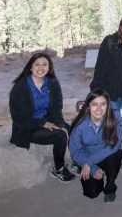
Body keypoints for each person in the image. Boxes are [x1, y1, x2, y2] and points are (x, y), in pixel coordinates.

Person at [9, 52, 75, 182]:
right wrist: (44, 123)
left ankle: (78, 161)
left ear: (49, 67)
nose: (41, 68)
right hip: (27, 127)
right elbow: (19, 117)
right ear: (30, 67)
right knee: (60, 136)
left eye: (45, 64)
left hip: (47, 121)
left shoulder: (52, 84)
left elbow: (57, 109)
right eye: (37, 64)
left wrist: (60, 125)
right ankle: (59, 169)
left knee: (72, 130)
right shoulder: (21, 87)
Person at [68, 89, 122, 203]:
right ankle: (100, 170)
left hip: (110, 154)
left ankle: (110, 187)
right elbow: (75, 152)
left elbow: (114, 145)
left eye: (103, 104)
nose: (99, 109)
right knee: (92, 193)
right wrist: (92, 168)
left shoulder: (115, 117)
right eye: (94, 104)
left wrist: (89, 163)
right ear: (88, 106)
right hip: (88, 156)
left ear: (108, 105)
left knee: (114, 158)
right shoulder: (80, 125)